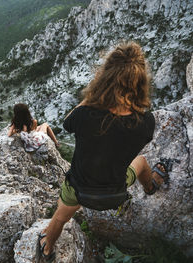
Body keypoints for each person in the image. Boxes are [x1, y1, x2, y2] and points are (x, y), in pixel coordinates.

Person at [36, 42, 170, 262]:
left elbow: (67, 122)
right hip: (115, 192)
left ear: (104, 78)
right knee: (142, 161)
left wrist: (92, 96)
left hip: (80, 190)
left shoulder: (85, 115)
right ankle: (150, 186)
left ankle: (48, 246)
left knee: (59, 217)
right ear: (140, 84)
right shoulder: (146, 123)